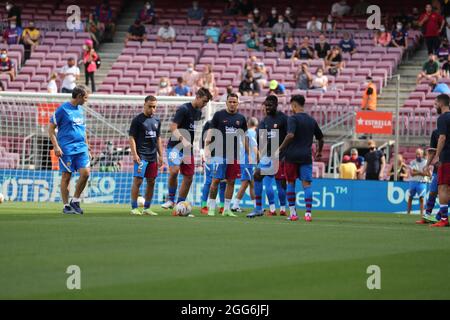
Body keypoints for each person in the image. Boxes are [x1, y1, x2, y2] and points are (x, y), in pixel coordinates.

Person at [161, 88, 212, 210]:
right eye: (204, 101)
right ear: (197, 96)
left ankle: (180, 204)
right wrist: (183, 140)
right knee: (174, 171)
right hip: (175, 146)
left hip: (188, 150)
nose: (205, 105)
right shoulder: (183, 109)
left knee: (189, 177)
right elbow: (173, 127)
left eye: (206, 103)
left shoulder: (198, 113)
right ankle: (170, 200)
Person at [275, 95, 324, 222]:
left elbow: (290, 135)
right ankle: (308, 214)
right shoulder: (311, 120)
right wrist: (318, 152)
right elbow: (321, 138)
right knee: (306, 185)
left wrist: (280, 148)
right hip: (306, 156)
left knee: (291, 183)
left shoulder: (293, 119)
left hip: (291, 156)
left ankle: (293, 214)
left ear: (294, 105)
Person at [48, 86, 91, 215]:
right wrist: (56, 146)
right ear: (79, 96)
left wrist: (87, 146)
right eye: (85, 98)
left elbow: (83, 130)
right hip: (66, 148)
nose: (86, 100)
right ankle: (66, 205)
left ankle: (75, 200)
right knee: (67, 176)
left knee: (86, 173)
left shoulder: (80, 110)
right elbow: (50, 129)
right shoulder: (62, 110)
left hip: (81, 148)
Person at [205, 93, 248, 217]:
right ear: (226, 103)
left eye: (235, 102)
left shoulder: (241, 118)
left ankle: (227, 209)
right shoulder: (219, 115)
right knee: (216, 180)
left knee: (231, 181)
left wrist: (249, 153)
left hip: (234, 155)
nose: (232, 104)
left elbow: (244, 137)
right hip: (218, 153)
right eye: (230, 102)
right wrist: (207, 148)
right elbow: (211, 132)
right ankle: (212, 207)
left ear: (238, 103)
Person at [247, 95, 289, 217]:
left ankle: (282, 208)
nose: (268, 107)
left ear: (276, 105)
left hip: (280, 156)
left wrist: (285, 153)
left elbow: (289, 136)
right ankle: (259, 208)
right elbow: (260, 137)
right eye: (266, 105)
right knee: (257, 175)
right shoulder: (265, 120)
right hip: (267, 155)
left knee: (280, 183)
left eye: (270, 105)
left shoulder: (284, 119)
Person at [128, 95, 163, 216]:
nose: (152, 109)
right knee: (138, 181)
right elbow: (131, 137)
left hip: (153, 156)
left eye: (154, 107)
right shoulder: (137, 120)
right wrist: (134, 154)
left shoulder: (157, 121)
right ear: (144, 105)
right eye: (150, 106)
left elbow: (158, 138)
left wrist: (161, 155)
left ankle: (147, 208)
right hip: (141, 155)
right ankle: (134, 207)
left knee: (151, 181)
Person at [425, 94, 450, 227]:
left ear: (441, 104)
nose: (435, 106)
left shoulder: (442, 118)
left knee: (443, 187)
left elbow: (442, 138)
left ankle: (444, 219)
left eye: (436, 104)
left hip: (447, 158)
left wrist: (437, 156)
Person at [232, 117, 259, 213]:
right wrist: (259, 158)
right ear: (257, 124)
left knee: (251, 183)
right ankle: (235, 205)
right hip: (247, 162)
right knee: (245, 184)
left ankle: (256, 206)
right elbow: (254, 147)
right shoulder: (252, 133)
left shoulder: (245, 133)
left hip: (245, 161)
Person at [199, 120, 226, 214]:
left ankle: (222, 206)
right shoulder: (211, 124)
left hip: (223, 156)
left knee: (223, 182)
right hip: (210, 157)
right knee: (209, 181)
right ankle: (204, 205)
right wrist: (205, 154)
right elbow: (205, 140)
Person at [420, 129, 441, 223]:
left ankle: (440, 216)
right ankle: (427, 215)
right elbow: (432, 151)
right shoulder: (436, 132)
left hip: (446, 165)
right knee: (432, 191)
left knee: (446, 193)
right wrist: (427, 165)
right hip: (439, 167)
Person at [407, 148, 430, 217]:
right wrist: (422, 172)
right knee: (410, 197)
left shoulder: (426, 162)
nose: (417, 155)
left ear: (422, 154)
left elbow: (427, 174)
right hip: (413, 182)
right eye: (416, 154)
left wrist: (417, 172)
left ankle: (421, 214)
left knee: (422, 198)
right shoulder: (412, 162)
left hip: (421, 182)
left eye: (419, 154)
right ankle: (408, 213)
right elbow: (412, 173)